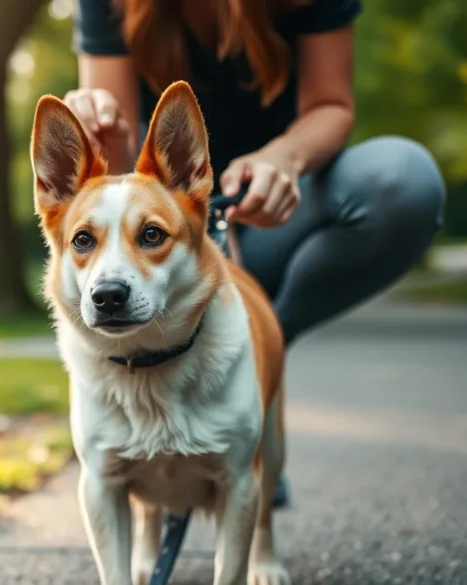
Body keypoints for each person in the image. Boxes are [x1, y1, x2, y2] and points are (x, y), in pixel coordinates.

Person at [64, 0, 446, 507]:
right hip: (162, 234)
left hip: (276, 212)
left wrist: (283, 159)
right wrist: (102, 136)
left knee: (404, 181)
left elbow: (331, 104)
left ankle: (249, 379)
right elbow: (117, 161)